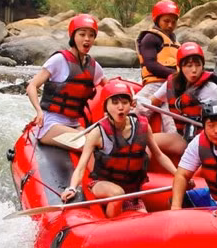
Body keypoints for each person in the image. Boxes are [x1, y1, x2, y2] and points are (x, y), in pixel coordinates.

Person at [61, 80, 178, 219]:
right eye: (115, 103)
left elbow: (159, 155)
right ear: (106, 106)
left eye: (124, 102)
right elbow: (81, 167)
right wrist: (72, 188)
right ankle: (109, 223)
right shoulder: (97, 133)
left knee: (144, 223)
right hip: (102, 185)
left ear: (131, 104)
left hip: (132, 191)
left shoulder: (143, 127)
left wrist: (179, 175)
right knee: (117, 193)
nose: (120, 107)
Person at [26, 13, 107, 147]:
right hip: (51, 124)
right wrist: (39, 111)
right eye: (82, 34)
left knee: (105, 145)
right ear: (73, 36)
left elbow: (110, 88)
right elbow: (32, 86)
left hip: (74, 124)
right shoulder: (59, 60)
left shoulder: (94, 67)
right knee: (92, 143)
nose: (87, 39)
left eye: (91, 35)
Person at [144, 41, 217, 158]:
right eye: (189, 65)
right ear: (180, 67)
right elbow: (151, 101)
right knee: (147, 141)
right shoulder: (171, 84)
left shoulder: (211, 89)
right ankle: (141, 174)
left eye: (198, 65)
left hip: (208, 142)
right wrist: (137, 102)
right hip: (184, 138)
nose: (194, 70)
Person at [135, 0, 181, 132]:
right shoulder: (150, 38)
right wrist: (176, 76)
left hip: (172, 86)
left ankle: (173, 144)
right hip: (155, 84)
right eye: (166, 21)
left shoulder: (175, 41)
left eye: (173, 22)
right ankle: (127, 135)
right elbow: (151, 65)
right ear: (157, 20)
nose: (170, 25)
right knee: (137, 111)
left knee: (171, 121)